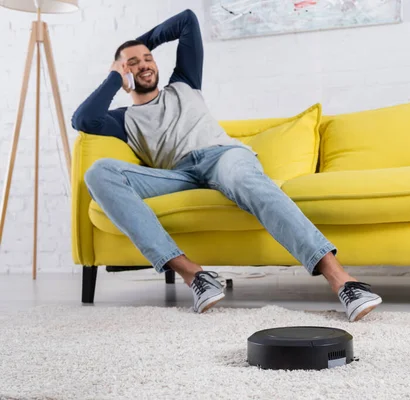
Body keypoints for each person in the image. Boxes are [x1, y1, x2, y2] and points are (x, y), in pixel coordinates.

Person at [72, 9, 382, 322]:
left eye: (147, 58)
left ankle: (343, 281)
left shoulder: (184, 83)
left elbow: (187, 21)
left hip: (222, 157)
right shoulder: (121, 120)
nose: (143, 65)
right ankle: (194, 276)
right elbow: (82, 119)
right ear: (123, 72)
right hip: (177, 175)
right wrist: (115, 74)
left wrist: (140, 43)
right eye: (133, 62)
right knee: (98, 172)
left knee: (247, 182)